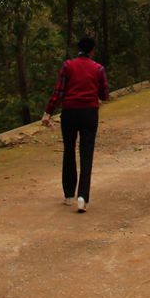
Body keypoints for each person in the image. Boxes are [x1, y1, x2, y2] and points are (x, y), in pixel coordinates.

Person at [41, 35, 110, 214]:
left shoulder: (67, 66)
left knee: (69, 150)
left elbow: (59, 91)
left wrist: (48, 112)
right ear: (93, 50)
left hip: (69, 112)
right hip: (89, 113)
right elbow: (104, 95)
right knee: (87, 154)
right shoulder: (98, 69)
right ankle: (82, 198)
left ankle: (68, 194)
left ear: (78, 49)